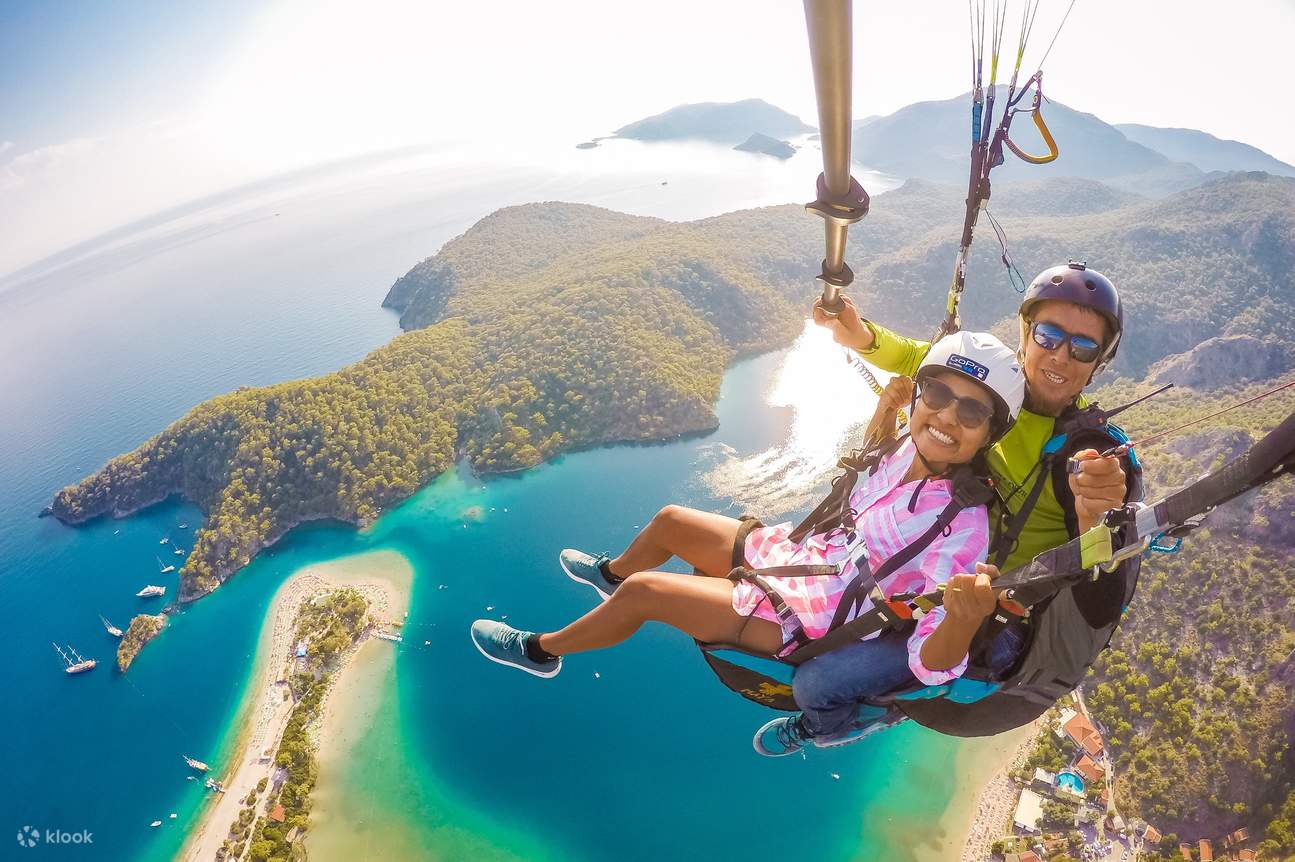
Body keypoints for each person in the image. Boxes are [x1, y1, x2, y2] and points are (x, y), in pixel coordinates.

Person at [470, 331, 1026, 755]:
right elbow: (864, 488)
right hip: (809, 560)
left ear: (989, 431)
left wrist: (961, 618)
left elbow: (933, 666)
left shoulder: (964, 527)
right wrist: (884, 418)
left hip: (822, 616)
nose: (947, 415)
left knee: (647, 594)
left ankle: (540, 651)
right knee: (670, 523)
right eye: (936, 393)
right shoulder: (909, 446)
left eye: (971, 410)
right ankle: (609, 580)